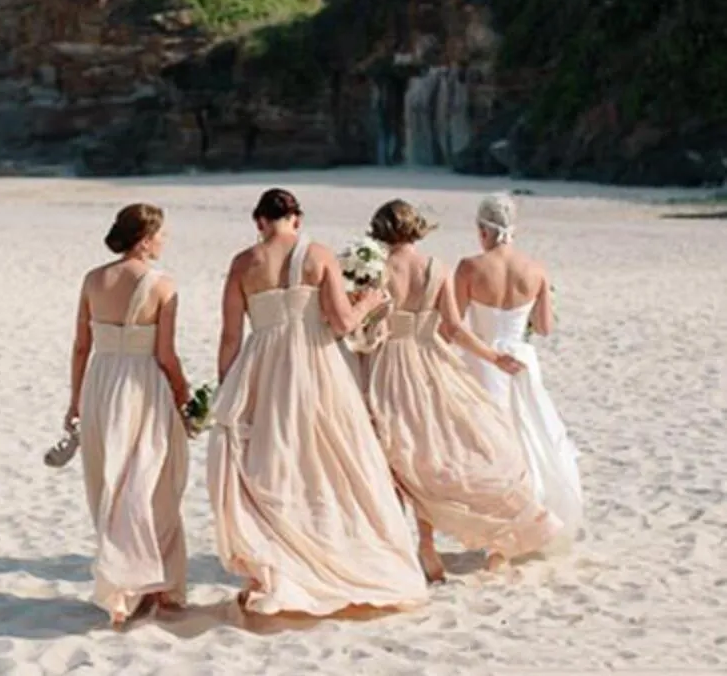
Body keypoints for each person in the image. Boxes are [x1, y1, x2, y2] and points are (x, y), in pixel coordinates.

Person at [208, 188, 429, 616]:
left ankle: (279, 561)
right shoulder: (318, 255)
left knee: (272, 462)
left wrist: (227, 386)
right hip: (315, 363)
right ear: (297, 218)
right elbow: (343, 324)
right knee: (331, 458)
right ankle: (335, 553)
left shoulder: (242, 264)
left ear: (259, 222)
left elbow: (231, 336)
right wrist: (368, 301)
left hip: (261, 368)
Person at [365, 199, 563, 582]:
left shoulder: (377, 270)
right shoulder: (437, 269)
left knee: (399, 456)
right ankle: (491, 534)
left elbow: (366, 322)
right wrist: (492, 356)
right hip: (428, 363)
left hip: (385, 365)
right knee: (429, 453)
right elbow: (453, 329)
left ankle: (422, 546)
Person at [65, 203, 190, 629]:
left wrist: (75, 399)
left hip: (101, 383)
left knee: (110, 484)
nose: (165, 240)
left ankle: (122, 589)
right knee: (152, 483)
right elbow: (166, 353)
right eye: (161, 234)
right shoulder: (162, 285)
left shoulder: (93, 279)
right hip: (142, 386)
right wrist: (183, 389)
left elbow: (81, 346)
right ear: (145, 238)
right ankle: (160, 586)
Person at [455, 192, 583, 546]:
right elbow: (544, 327)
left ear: (482, 229)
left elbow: (453, 325)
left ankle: (500, 528)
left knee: (491, 442)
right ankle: (536, 517)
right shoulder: (536, 268)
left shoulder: (469, 267)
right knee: (530, 432)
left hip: (484, 360)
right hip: (523, 359)